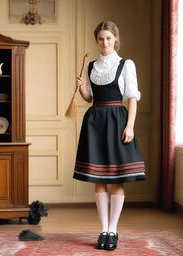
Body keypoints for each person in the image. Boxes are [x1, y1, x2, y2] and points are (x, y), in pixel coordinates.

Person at [73, 21, 146, 251]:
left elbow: (132, 97)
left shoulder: (126, 64)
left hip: (117, 122)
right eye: (101, 39)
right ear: (97, 41)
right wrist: (81, 87)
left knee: (117, 179)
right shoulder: (91, 66)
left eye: (109, 38)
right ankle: (103, 230)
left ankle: (113, 230)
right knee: (99, 179)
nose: (105, 42)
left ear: (115, 39)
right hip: (95, 123)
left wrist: (130, 126)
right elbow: (89, 98)